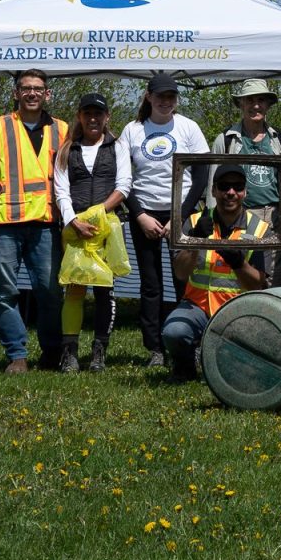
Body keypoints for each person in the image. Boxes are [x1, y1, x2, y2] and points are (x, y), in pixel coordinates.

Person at [0, 69, 68, 373]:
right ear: (16, 93)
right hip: (6, 226)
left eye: (38, 89)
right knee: (4, 293)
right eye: (25, 88)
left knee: (50, 291)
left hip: (46, 224)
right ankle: (17, 355)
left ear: (47, 94)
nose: (32, 94)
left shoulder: (63, 130)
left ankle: (52, 353)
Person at [121, 72, 210, 369]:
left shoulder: (188, 127)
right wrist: (139, 215)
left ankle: (189, 342)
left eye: (171, 96)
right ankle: (155, 348)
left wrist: (181, 214)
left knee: (184, 280)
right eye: (160, 96)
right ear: (148, 96)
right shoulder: (132, 130)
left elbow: (201, 174)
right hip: (144, 214)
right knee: (151, 284)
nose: (165, 101)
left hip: (181, 213)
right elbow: (122, 179)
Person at [163, 165, 270, 382]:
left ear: (245, 192)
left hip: (238, 308)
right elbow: (181, 273)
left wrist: (238, 263)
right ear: (213, 191)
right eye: (224, 187)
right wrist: (195, 241)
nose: (231, 192)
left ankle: (216, 357)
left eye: (238, 187)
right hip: (197, 304)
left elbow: (259, 285)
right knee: (174, 332)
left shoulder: (260, 229)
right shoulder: (193, 222)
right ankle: (185, 366)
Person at [53, 93, 133, 373]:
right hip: (74, 229)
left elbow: (124, 185)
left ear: (107, 117)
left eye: (98, 114)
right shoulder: (67, 149)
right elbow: (61, 191)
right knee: (74, 290)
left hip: (106, 228)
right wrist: (74, 221)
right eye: (87, 113)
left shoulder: (118, 147)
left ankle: (99, 352)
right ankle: (70, 353)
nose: (93, 119)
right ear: (80, 117)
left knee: (104, 292)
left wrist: (97, 214)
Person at [210, 79, 281, 285]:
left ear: (268, 105)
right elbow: (213, 180)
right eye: (250, 100)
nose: (256, 105)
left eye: (261, 100)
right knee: (239, 274)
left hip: (274, 217)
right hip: (239, 218)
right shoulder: (226, 139)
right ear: (241, 104)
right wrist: (214, 222)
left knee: (271, 278)